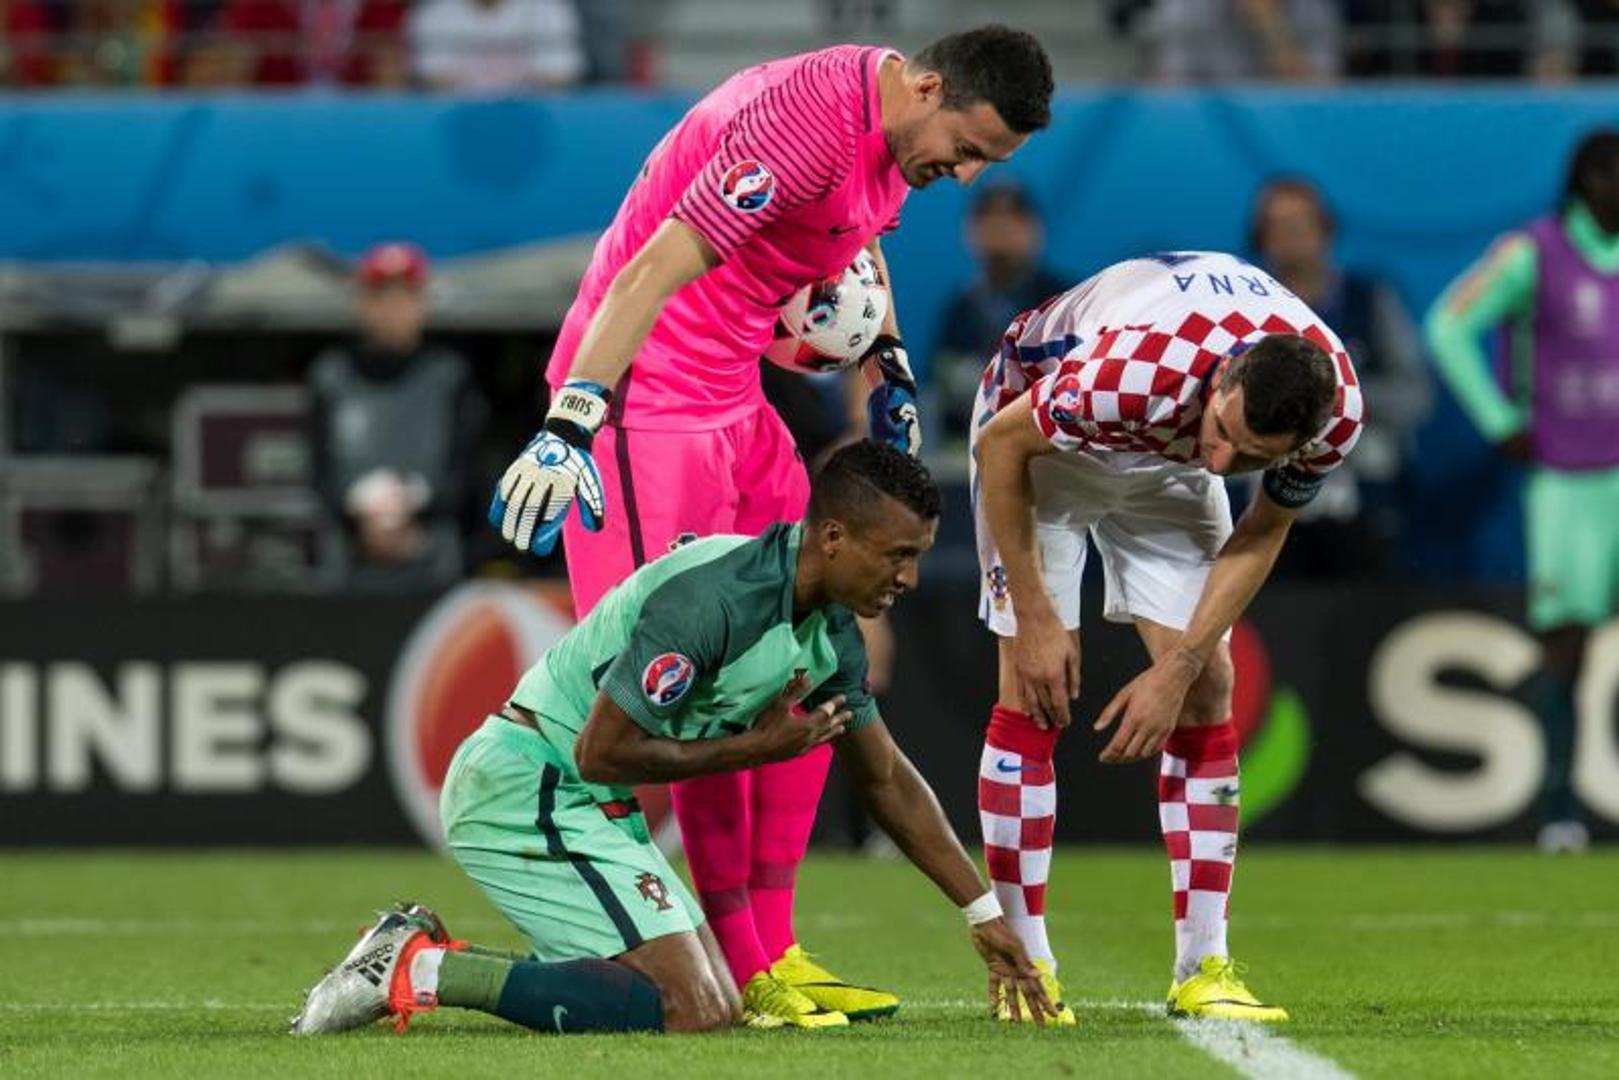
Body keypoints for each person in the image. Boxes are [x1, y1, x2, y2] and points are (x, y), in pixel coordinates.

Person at [486, 26, 1054, 1026]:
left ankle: (775, 949)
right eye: (966, 150)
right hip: (646, 408)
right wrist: (574, 418)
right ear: (927, 87)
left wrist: (886, 356)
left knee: (803, 652)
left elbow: (853, 238)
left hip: (735, 403)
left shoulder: (895, 125)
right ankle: (726, 960)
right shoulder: (803, 128)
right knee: (695, 684)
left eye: (985, 163)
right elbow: (650, 268)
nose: (965, 176)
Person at [291, 442, 1056, 1036]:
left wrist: (981, 914)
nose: (910, 578)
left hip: (589, 801)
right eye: (898, 555)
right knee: (691, 1007)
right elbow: (600, 752)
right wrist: (752, 750)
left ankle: (425, 953)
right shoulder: (715, 599)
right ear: (832, 537)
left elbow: (884, 778)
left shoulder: (828, 630)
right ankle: (416, 969)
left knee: (711, 999)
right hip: (530, 787)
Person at [970, 251, 1362, 1024]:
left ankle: (1203, 966)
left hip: (1161, 464)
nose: (1224, 461)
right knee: (1033, 685)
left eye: (1251, 458)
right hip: (1046, 444)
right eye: (1226, 434)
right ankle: (1025, 962)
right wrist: (1036, 617)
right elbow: (1000, 448)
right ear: (1224, 381)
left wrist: (1178, 666)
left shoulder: (1335, 418)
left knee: (1209, 685)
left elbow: (1262, 528)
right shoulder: (1130, 371)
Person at [1424, 129, 1619, 854]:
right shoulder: (1531, 252)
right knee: (1565, 641)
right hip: (1567, 479)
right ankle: (1559, 813)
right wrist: (1498, 419)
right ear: (1592, 179)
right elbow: (1447, 326)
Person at [1248, 176, 1429, 578]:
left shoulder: (1372, 302)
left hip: (1365, 492)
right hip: (1265, 495)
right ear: (1260, 238)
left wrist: (1335, 398)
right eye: (1277, 226)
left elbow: (1415, 396)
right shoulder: (1245, 311)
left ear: (1326, 230)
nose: (1291, 236)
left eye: (1301, 223)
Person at [308, 242, 486, 592]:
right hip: (351, 560)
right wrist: (362, 512)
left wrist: (415, 507)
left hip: (433, 559)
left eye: (405, 298)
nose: (393, 310)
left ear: (422, 304)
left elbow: (466, 470)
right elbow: (318, 470)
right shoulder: (331, 377)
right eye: (381, 298)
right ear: (362, 304)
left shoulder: (449, 377)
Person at [932, 182, 1069, 448]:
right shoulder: (959, 308)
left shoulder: (1064, 301)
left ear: (1037, 229)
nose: (1000, 227)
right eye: (987, 216)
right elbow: (940, 380)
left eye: (1013, 216)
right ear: (969, 231)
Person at [409, 0, 585, 92]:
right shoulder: (436, 14)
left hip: (530, 121)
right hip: (460, 123)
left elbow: (560, 77)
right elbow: (433, 79)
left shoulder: (549, 10)